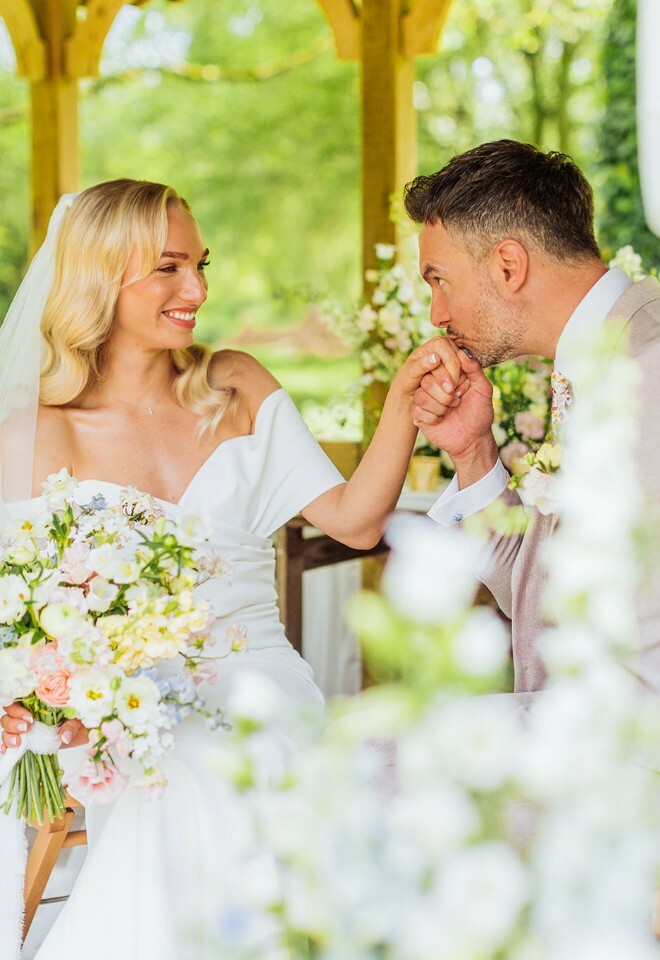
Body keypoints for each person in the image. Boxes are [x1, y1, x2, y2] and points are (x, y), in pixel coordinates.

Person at [0, 179, 448, 959]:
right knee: (171, 770)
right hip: (115, 703)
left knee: (230, 754)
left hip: (257, 674)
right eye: (169, 268)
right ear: (101, 274)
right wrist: (49, 701)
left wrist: (405, 407)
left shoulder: (234, 385)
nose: (198, 289)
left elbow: (356, 519)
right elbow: (22, 611)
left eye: (201, 264)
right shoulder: (36, 431)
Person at [402, 139, 660, 696]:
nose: (435, 313)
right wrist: (473, 453)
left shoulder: (650, 368)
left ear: (509, 265)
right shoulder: (590, 362)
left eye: (438, 279)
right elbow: (538, 600)